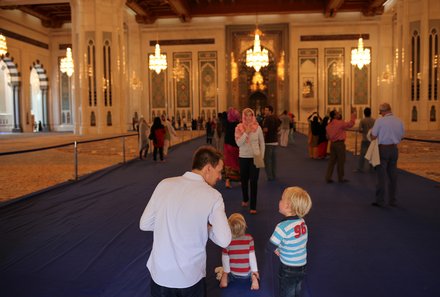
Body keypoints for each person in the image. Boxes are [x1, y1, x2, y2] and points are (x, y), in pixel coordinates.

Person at [139, 146, 232, 297]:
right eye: (219, 171)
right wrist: (205, 228)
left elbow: (145, 224)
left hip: (161, 274)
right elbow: (224, 240)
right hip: (190, 277)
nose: (220, 177)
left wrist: (171, 224)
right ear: (208, 168)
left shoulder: (164, 184)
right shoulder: (213, 196)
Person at [268, 186, 312, 297]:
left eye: (281, 199)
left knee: (287, 292)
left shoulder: (282, 227)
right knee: (297, 288)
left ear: (288, 206)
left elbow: (270, 246)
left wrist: (276, 250)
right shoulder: (302, 222)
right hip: (302, 264)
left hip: (288, 267)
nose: (279, 201)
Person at [370, 103, 404, 207]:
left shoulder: (380, 121)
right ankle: (392, 200)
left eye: (380, 112)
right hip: (394, 149)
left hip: (383, 149)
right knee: (393, 176)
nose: (381, 114)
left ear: (383, 111)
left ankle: (380, 200)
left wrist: (371, 135)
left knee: (381, 176)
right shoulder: (399, 121)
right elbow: (402, 136)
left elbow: (373, 136)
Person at [235, 108, 265, 214]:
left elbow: (262, 143)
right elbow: (239, 143)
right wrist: (246, 133)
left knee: (253, 181)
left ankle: (253, 206)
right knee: (244, 180)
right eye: (246, 115)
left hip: (255, 157)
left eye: (250, 115)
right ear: (243, 116)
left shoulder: (258, 128)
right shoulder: (238, 128)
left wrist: (261, 156)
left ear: (253, 116)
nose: (248, 117)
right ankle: (245, 198)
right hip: (243, 157)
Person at [219, 213, 259, 290]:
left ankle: (225, 279)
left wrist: (225, 273)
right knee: (253, 273)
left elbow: (225, 258)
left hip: (234, 273)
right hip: (247, 274)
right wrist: (255, 271)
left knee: (227, 273)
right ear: (244, 226)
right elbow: (252, 257)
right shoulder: (249, 239)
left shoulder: (227, 241)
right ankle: (253, 278)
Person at [325, 109, 356, 183]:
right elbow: (351, 124)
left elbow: (327, 137)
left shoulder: (328, 125)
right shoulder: (340, 123)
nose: (339, 114)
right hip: (340, 144)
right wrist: (353, 115)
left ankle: (328, 177)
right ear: (335, 116)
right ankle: (340, 178)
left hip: (332, 144)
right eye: (337, 113)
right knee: (341, 162)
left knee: (331, 162)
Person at [262, 105, 281, 181]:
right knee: (273, 159)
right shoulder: (276, 118)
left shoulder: (267, 119)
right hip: (275, 141)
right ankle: (273, 174)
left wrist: (261, 131)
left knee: (267, 160)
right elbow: (279, 128)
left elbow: (265, 130)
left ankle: (270, 176)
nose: (265, 111)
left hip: (268, 141)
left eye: (266, 110)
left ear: (270, 111)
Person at [224, 108, 241, 188]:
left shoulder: (227, 123)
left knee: (228, 163)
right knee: (237, 163)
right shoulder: (238, 124)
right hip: (235, 146)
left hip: (227, 145)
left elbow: (223, 115)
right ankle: (240, 179)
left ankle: (227, 181)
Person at [355, 107, 375, 172]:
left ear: (364, 113)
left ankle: (360, 168)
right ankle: (372, 168)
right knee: (372, 154)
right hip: (372, 140)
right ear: (370, 113)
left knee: (362, 154)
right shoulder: (374, 120)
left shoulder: (363, 120)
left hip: (365, 139)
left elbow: (359, 130)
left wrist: (364, 131)